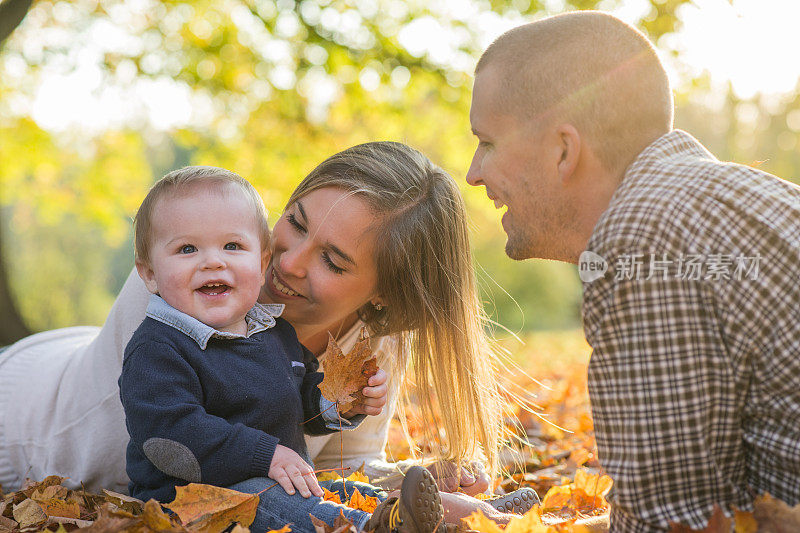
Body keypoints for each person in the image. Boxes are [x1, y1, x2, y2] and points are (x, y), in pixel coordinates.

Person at [0, 143, 530, 525]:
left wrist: (417, 486)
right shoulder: (183, 286)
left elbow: (330, 466)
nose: (288, 263)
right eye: (295, 222)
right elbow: (176, 440)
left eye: (332, 261)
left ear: (382, 295)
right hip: (22, 410)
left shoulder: (375, 342)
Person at [467, 10, 800, 532]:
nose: (473, 173)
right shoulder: (750, 197)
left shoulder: (641, 241)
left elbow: (671, 524)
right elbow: (709, 510)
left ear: (563, 149)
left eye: (487, 142)